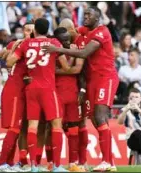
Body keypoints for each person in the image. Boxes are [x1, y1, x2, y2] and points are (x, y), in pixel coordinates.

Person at [43, 7, 119, 171]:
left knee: (100, 116)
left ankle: (107, 161)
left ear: (97, 18)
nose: (85, 17)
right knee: (95, 120)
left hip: (105, 78)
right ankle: (109, 163)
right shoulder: (84, 31)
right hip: (91, 81)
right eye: (84, 14)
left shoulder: (102, 32)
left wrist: (58, 49)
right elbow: (66, 31)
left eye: (89, 15)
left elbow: (84, 53)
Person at [6, 18, 69, 172]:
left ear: (35, 31)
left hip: (31, 88)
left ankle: (34, 166)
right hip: (48, 88)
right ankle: (56, 166)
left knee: (32, 127)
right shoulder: (53, 42)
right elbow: (66, 67)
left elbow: (9, 62)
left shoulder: (26, 44)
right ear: (47, 30)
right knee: (56, 126)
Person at [0, 22, 35, 172]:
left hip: (24, 91)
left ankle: (10, 163)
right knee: (15, 128)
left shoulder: (34, 46)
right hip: (15, 90)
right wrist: (13, 47)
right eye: (26, 30)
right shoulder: (19, 44)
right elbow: (0, 56)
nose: (28, 33)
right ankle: (1, 163)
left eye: (31, 30)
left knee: (19, 128)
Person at [54, 19, 89, 171]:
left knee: (78, 126)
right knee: (55, 128)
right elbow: (71, 69)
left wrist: (82, 90)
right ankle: (52, 163)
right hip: (57, 93)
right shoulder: (54, 48)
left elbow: (78, 71)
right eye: (64, 38)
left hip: (75, 92)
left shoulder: (79, 46)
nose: (67, 40)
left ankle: (77, 161)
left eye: (68, 34)